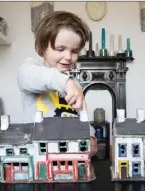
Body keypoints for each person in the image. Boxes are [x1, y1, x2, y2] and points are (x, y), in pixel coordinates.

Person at [17, 11, 97, 157]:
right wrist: (65, 82)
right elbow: (29, 76)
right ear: (41, 47)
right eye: (60, 49)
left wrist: (90, 135)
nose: (68, 57)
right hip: (39, 155)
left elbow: (82, 115)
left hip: (70, 154)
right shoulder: (32, 68)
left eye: (74, 51)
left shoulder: (73, 82)